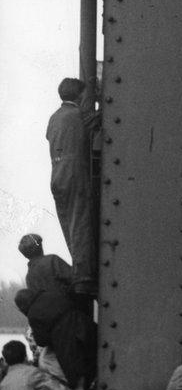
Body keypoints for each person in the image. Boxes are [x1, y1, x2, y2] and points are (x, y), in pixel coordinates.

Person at [46, 78, 97, 296]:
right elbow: (100, 119)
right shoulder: (78, 115)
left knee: (68, 225)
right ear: (79, 96)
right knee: (81, 224)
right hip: (75, 173)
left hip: (56, 176)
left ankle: (79, 271)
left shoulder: (54, 117)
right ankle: (83, 277)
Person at [14, 288, 96, 390]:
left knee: (45, 360)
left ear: (22, 306)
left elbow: (41, 341)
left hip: (68, 342)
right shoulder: (52, 293)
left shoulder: (33, 314)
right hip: (87, 328)